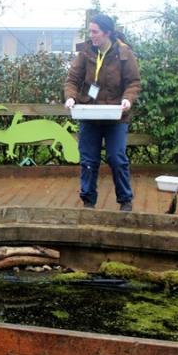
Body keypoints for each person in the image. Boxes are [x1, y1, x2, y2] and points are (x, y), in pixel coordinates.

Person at [64, 14, 141, 212]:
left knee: (117, 158)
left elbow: (133, 82)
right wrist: (71, 97)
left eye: (95, 31)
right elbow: (72, 79)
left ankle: (125, 200)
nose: (91, 35)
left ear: (107, 33)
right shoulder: (86, 52)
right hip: (89, 114)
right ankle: (88, 201)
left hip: (116, 116)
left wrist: (127, 99)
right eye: (90, 31)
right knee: (89, 160)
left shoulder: (124, 53)